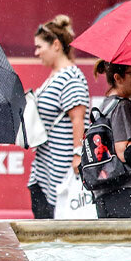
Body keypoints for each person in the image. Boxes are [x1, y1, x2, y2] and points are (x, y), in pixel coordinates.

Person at [27, 16, 89, 218]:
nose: (36, 53)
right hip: (46, 165)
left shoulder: (70, 76)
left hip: (61, 169)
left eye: (39, 47)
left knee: (56, 227)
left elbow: (78, 119)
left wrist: (78, 155)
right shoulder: (55, 75)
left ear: (55, 45)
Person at [91, 60, 131, 218]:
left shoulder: (105, 105)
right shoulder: (122, 105)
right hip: (126, 192)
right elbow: (123, 151)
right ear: (118, 78)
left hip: (106, 192)